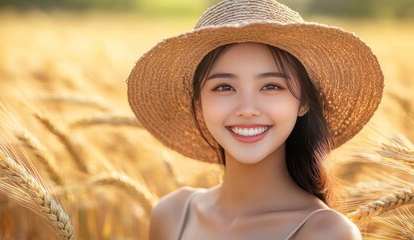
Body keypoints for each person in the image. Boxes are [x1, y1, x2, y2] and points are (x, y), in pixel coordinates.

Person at [127, 0, 384, 239]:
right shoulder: (172, 214)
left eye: (271, 86)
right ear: (199, 105)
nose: (247, 109)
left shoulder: (326, 233)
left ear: (303, 101)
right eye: (224, 87)